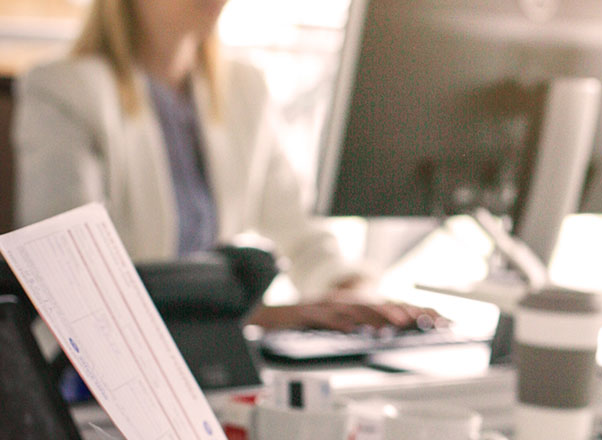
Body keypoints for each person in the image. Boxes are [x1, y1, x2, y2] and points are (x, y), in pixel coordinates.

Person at [12, 0, 438, 333]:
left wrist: (352, 294)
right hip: (110, 368)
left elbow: (298, 225)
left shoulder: (243, 88)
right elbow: (70, 272)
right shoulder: (65, 90)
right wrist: (271, 317)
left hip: (216, 361)